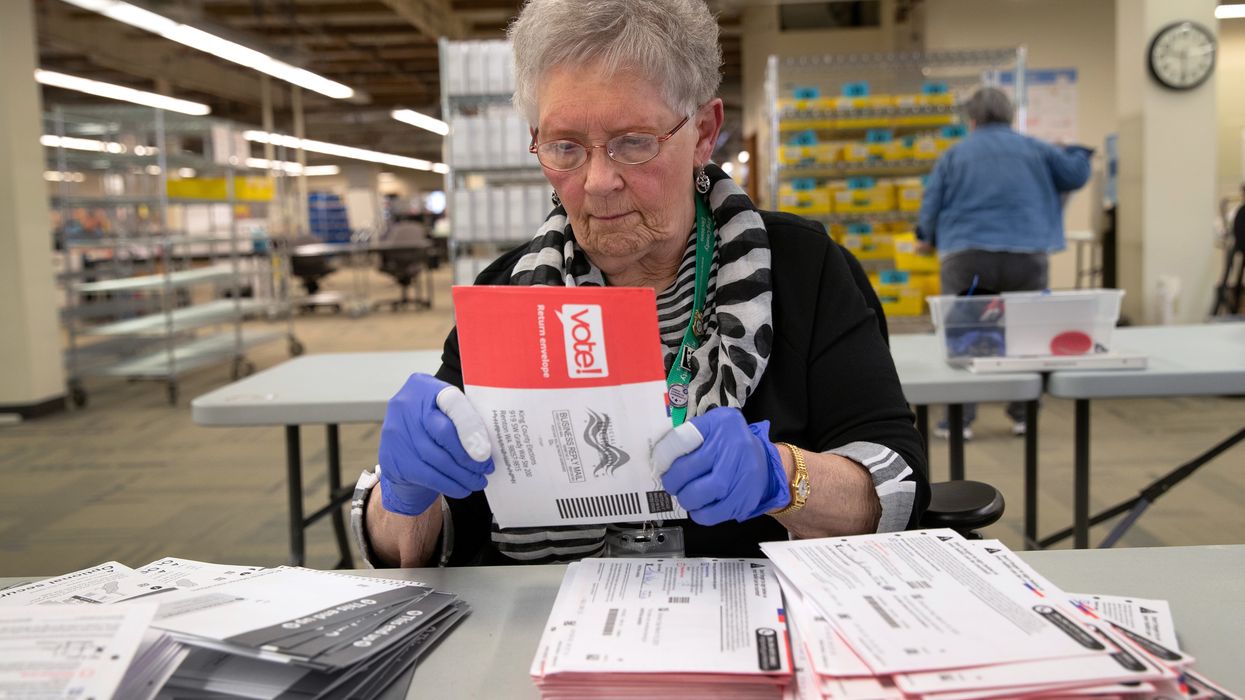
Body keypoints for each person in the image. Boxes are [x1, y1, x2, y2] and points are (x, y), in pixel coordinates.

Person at [352, 0, 928, 568]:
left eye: (633, 141)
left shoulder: (803, 270)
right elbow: (424, 538)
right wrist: (404, 493)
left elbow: (894, 483)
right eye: (565, 147)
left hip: (749, 626)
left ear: (704, 132)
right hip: (541, 630)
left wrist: (786, 477)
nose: (598, 181)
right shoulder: (507, 297)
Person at [917, 87, 1092, 440]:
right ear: (1011, 115)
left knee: (966, 335)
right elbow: (1075, 175)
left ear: (972, 118)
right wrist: (1076, 149)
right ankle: (1023, 414)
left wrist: (926, 235)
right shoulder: (1037, 149)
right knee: (1026, 337)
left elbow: (932, 200)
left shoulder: (955, 154)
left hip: (967, 254)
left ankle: (959, 420)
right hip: (1026, 253)